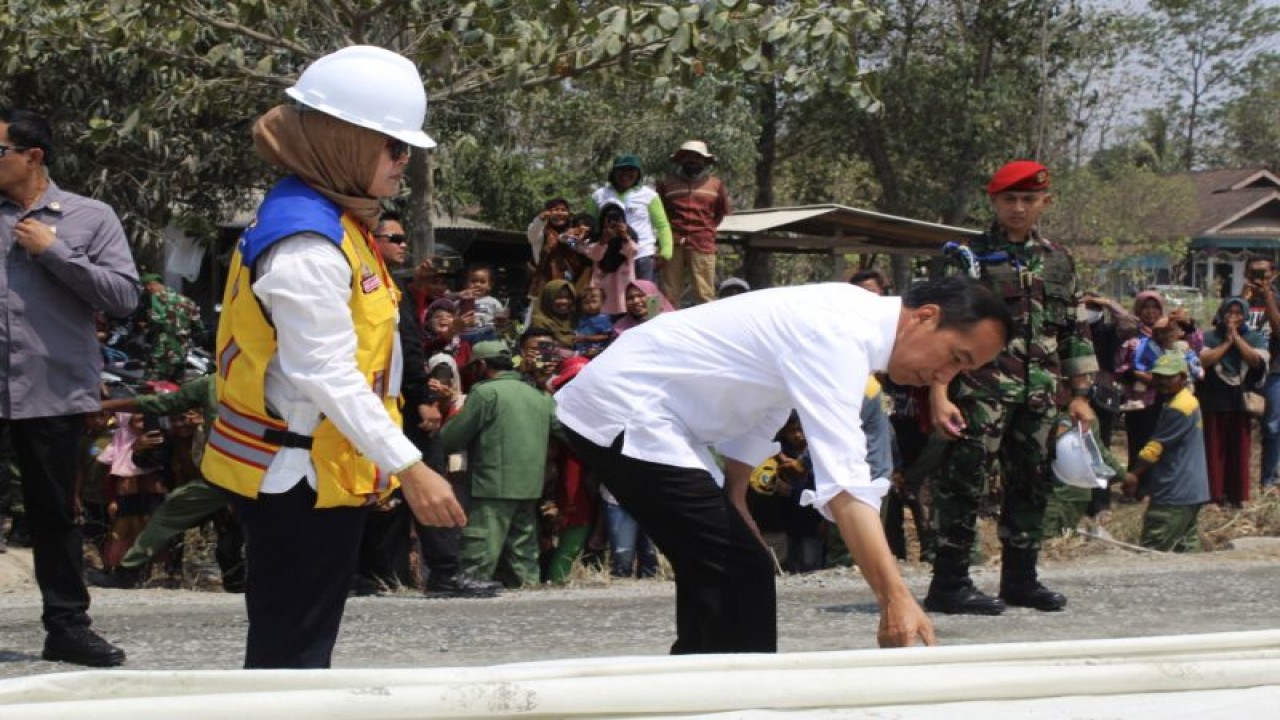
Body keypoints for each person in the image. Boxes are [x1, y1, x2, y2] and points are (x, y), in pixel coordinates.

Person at [556, 276, 1012, 653]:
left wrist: (735, 495)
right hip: (629, 406)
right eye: (955, 357)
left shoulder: (849, 322)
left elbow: (769, 403)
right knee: (738, 568)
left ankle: (699, 691)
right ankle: (732, 700)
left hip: (654, 413)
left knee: (723, 563)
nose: (944, 377)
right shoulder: (838, 333)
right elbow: (846, 485)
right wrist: (895, 598)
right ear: (925, 316)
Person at [199, 46, 465, 669]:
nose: (405, 162)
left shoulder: (331, 218)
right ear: (344, 142)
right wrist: (411, 467)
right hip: (296, 479)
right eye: (394, 148)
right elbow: (323, 370)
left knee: (296, 648)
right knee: (291, 655)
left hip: (320, 468)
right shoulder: (308, 243)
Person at [0, 107, 139, 666]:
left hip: (51, 389)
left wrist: (54, 252)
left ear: (32, 156)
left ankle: (66, 626)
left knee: (54, 513)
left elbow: (124, 298)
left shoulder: (90, 217)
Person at [926, 161, 1095, 616]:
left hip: (1040, 394)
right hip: (979, 392)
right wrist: (939, 390)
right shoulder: (966, 256)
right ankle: (950, 583)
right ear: (993, 201)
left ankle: (1021, 581)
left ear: (1045, 202)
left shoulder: (1059, 259)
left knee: (1032, 485)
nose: (1018, 208)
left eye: (1028, 200)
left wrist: (1079, 393)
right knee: (963, 484)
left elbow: (1075, 328)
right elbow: (941, 328)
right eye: (1009, 200)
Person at [89, 374, 246, 592]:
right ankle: (127, 573)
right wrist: (104, 404)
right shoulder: (211, 383)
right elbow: (163, 403)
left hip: (268, 470)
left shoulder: (276, 377)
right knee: (171, 511)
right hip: (224, 474)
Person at [442, 341, 562, 588]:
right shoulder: (540, 396)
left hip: (492, 483)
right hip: (531, 484)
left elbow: (453, 437)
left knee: (481, 544)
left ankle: (471, 586)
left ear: (482, 365)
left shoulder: (485, 393)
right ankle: (529, 590)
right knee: (524, 549)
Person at [1124, 353, 1210, 552]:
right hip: (1193, 489)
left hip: (1174, 490)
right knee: (1186, 549)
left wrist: (1132, 475)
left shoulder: (1178, 407)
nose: (1162, 382)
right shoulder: (1187, 400)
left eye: (1168, 377)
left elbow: (1155, 448)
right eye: (1158, 376)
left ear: (1182, 377)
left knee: (1153, 548)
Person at [1197, 296, 1268, 508]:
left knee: (1240, 447)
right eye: (1230, 312)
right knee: (1213, 447)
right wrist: (1227, 342)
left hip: (1240, 398)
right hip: (1213, 397)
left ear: (1245, 315)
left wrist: (1236, 338)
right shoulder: (1208, 336)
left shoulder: (1255, 338)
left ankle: (1238, 495)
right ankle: (1214, 495)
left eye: (1238, 313)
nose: (1233, 317)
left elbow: (1256, 361)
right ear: (1222, 313)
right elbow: (1203, 361)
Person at [658, 141, 731, 306]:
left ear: (704, 161)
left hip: (703, 243)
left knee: (704, 292)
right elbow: (660, 214)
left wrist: (706, 229)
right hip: (673, 243)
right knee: (670, 291)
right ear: (681, 159)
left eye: (697, 157)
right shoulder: (666, 184)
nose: (692, 160)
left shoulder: (716, 184)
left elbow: (720, 213)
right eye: (688, 157)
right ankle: (669, 328)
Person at [587, 155, 672, 282]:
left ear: (638, 173)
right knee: (614, 298)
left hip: (642, 255)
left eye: (631, 170)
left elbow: (662, 225)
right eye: (621, 170)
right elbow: (589, 224)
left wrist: (666, 253)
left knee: (647, 297)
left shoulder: (649, 195)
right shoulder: (598, 195)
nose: (625, 174)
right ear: (613, 172)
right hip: (609, 258)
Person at [1243, 255, 1280, 488]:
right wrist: (1241, 301)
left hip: (1274, 371)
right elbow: (1223, 326)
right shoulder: (1241, 300)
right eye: (1253, 275)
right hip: (1242, 371)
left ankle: (1268, 479)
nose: (1258, 280)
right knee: (1237, 427)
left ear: (1274, 274)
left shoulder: (1277, 298)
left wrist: (1268, 298)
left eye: (1263, 275)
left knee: (1272, 426)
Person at [137, 274, 205, 382]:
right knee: (176, 388)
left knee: (152, 387)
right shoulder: (188, 301)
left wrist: (145, 328)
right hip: (180, 353)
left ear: (150, 286)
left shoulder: (154, 299)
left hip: (160, 354)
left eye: (146, 289)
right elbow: (199, 327)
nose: (147, 292)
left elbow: (155, 321)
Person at [573, 287, 613, 357]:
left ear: (602, 302)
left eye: (594, 301)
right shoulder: (580, 317)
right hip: (581, 349)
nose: (590, 305)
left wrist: (585, 338)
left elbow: (606, 336)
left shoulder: (603, 319)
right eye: (586, 303)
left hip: (597, 350)